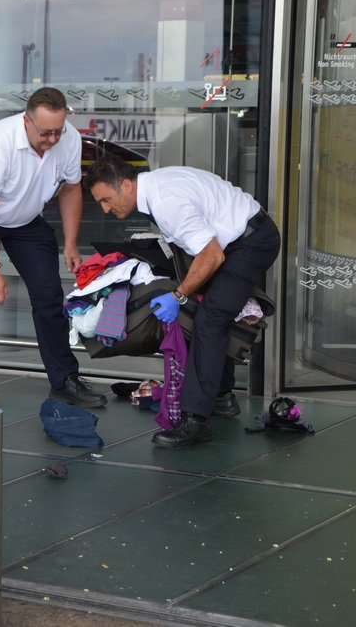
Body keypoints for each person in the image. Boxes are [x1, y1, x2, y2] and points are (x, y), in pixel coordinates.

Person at [82, 153, 281, 447]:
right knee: (210, 314)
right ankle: (222, 398)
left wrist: (178, 295)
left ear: (125, 185)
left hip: (251, 242)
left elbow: (211, 255)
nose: (106, 209)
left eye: (106, 199)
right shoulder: (157, 188)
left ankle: (195, 420)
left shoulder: (164, 201)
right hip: (239, 237)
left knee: (210, 320)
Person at [0, 87, 104, 408]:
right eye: (45, 132)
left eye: (57, 131)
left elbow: (71, 189)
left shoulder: (68, 139)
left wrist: (71, 243)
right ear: (27, 121)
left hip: (25, 219)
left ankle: (64, 380)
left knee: (49, 294)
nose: (52, 139)